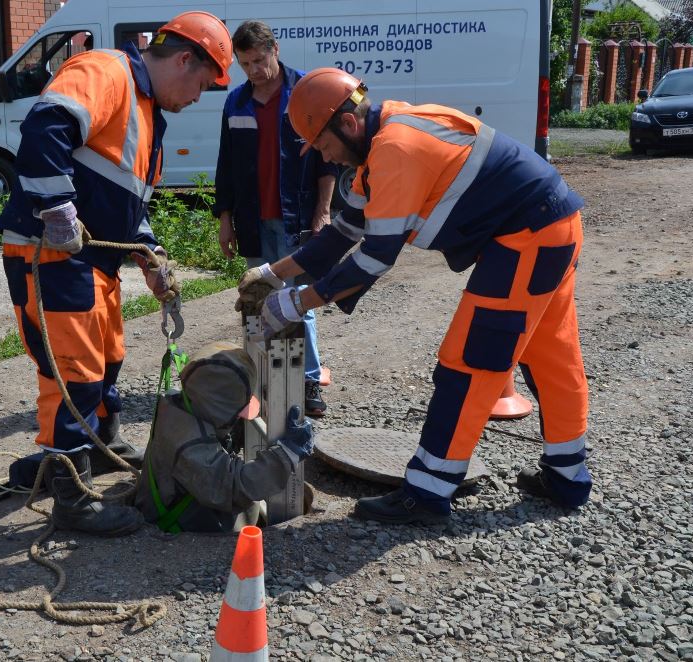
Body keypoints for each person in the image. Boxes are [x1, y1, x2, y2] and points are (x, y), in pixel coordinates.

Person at [238, 68, 592, 524]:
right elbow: (341, 235)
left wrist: (296, 303)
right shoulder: (383, 139)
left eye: (324, 147)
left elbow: (375, 258)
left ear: (345, 124)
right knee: (551, 357)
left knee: (470, 362)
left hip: (528, 239)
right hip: (550, 229)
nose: (329, 160)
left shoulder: (395, 149)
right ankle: (568, 478)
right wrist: (271, 273)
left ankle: (426, 494)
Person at [0, 12, 233, 536]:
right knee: (74, 375)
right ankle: (72, 498)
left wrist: (148, 254)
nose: (199, 96)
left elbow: (129, 204)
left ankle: (98, 445)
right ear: (185, 59)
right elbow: (46, 125)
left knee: (108, 359)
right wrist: (57, 210)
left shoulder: (149, 115)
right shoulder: (107, 71)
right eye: (201, 83)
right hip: (50, 254)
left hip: (90, 260)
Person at [213, 20, 336, 417]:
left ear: (275, 50)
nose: (254, 71)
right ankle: (261, 379)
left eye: (259, 60)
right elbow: (226, 166)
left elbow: (325, 159)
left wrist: (323, 209)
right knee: (256, 299)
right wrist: (225, 219)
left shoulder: (305, 93)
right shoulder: (236, 103)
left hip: (296, 217)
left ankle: (309, 381)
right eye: (245, 64)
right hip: (252, 221)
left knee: (301, 300)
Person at [135, 341, 314, 533]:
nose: (239, 418)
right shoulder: (192, 449)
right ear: (218, 410)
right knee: (241, 508)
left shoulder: (184, 404)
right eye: (236, 413)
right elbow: (234, 487)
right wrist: (287, 455)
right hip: (181, 522)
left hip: (180, 496)